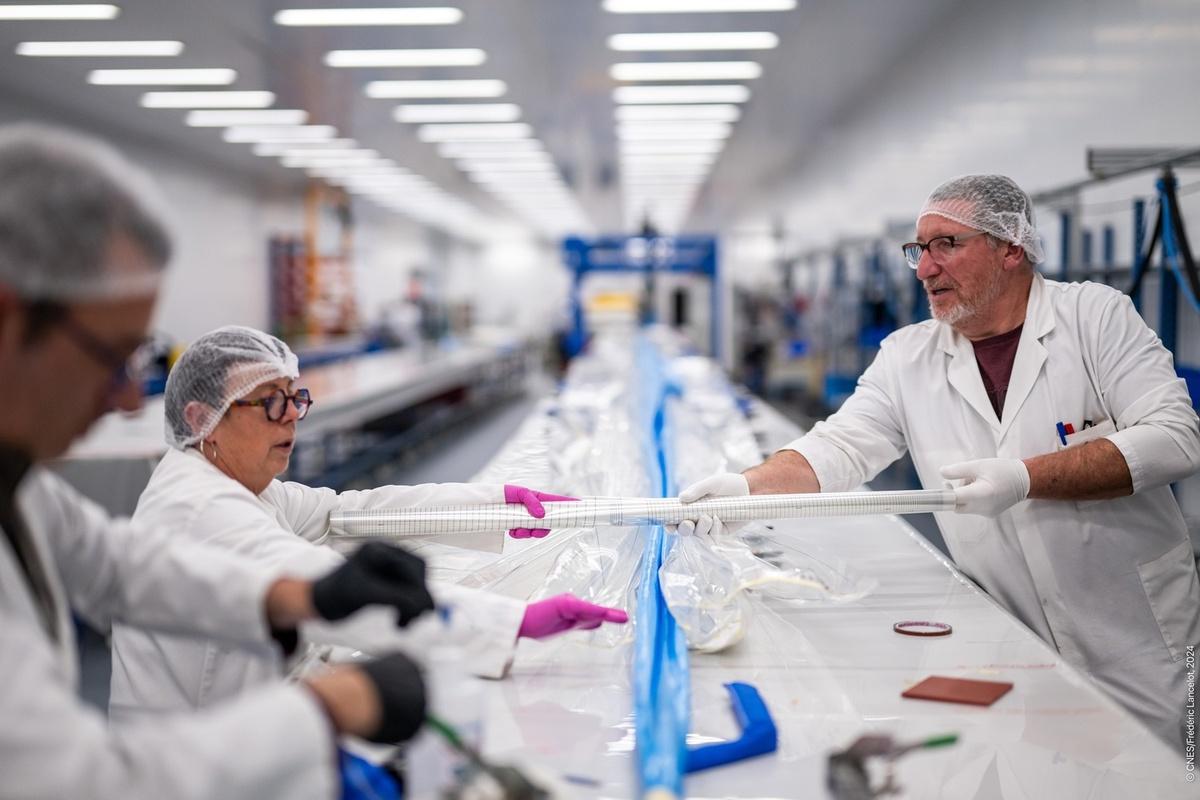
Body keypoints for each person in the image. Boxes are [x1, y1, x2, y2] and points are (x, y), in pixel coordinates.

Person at [0, 123, 453, 798]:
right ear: (10, 319)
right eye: (110, 357)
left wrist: (303, 594)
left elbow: (114, 564)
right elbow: (78, 783)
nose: (128, 400)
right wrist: (331, 707)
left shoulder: (17, 477)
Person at [681, 174, 1200, 748]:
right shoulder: (908, 357)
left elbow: (1177, 437)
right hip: (1014, 640)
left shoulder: (1095, 318)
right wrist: (746, 489)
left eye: (946, 245)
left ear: (1011, 248)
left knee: (1174, 772)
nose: (925, 268)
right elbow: (840, 446)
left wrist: (1026, 478)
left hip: (1144, 642)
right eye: (918, 250)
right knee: (1049, 774)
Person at [109, 325, 628, 721]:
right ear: (202, 420)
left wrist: (492, 505)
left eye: (295, 399)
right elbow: (328, 587)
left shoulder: (244, 487)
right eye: (271, 403)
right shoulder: (199, 511)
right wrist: (512, 623)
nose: (291, 416)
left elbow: (347, 514)